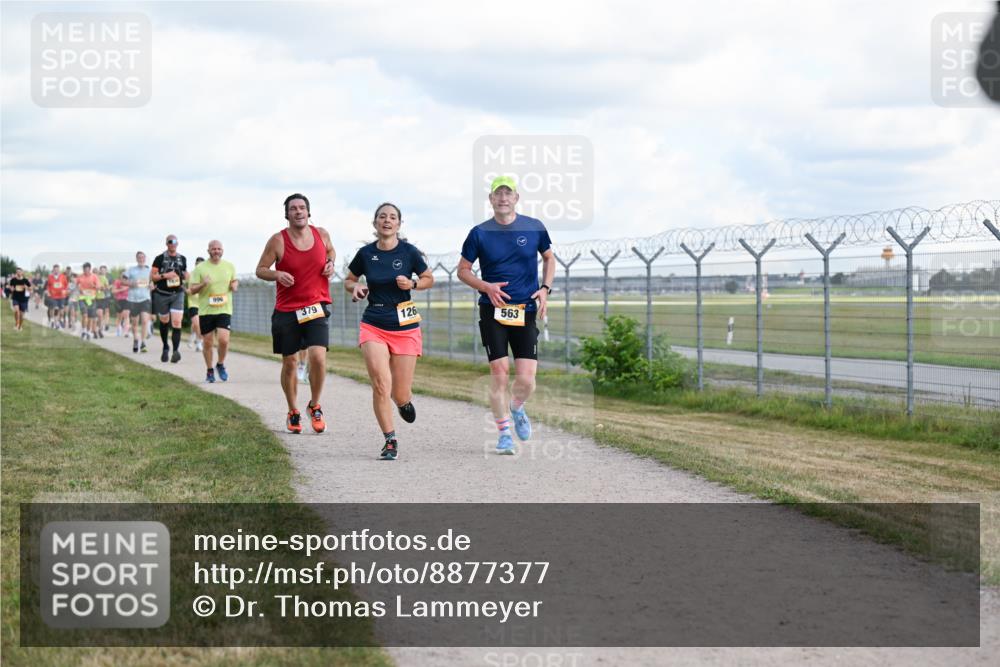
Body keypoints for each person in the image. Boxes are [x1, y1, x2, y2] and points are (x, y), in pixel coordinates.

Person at [457, 175, 555, 456]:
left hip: (525, 309)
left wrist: (545, 288)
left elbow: (549, 258)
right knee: (499, 374)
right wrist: (485, 286)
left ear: (516, 198)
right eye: (497, 194)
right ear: (491, 200)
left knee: (526, 380)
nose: (502, 198)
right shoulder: (479, 233)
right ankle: (503, 435)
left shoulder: (534, 227)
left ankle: (517, 408)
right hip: (493, 310)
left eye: (507, 193)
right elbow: (462, 270)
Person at [344, 202, 434, 460]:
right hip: (374, 322)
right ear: (375, 224)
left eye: (392, 217)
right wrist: (356, 288)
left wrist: (413, 283)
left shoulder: (409, 252)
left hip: (405, 326)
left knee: (399, 392)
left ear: (399, 224)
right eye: (382, 216)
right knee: (381, 385)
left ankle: (404, 402)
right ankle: (390, 440)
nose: (387, 220)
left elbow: (429, 279)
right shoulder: (365, 254)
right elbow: (349, 280)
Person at [255, 193, 336, 434]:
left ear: (308, 212)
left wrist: (331, 263)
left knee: (318, 357)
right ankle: (293, 410)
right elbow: (260, 269)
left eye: (302, 208)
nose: (298, 212)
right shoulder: (278, 241)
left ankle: (314, 404)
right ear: (287, 214)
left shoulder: (321, 234)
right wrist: (277, 275)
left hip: (316, 305)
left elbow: (331, 251)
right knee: (290, 362)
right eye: (293, 209)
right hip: (287, 310)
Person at [189, 241, 238, 383]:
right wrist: (203, 284)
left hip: (224, 309)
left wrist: (234, 285)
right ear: (208, 251)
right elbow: (192, 289)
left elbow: (234, 281)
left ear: (222, 251)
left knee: (224, 340)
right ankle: (210, 370)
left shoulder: (229, 266)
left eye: (219, 249)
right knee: (208, 342)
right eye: (213, 249)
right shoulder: (200, 268)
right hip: (206, 310)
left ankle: (220, 364)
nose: (216, 251)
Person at [150, 234, 189, 363]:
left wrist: (185, 275)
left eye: (175, 241)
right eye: (170, 241)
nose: (173, 243)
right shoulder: (159, 258)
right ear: (166, 244)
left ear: (177, 243)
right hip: (162, 294)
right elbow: (153, 277)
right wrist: (166, 275)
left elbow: (184, 274)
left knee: (177, 322)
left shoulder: (182, 258)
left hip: (177, 294)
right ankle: (165, 347)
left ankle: (176, 351)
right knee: (164, 321)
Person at [125, 251, 152, 353]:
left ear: (145, 259)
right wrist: (131, 283)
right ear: (137, 259)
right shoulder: (131, 270)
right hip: (132, 299)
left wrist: (152, 285)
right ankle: (136, 340)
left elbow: (153, 283)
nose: (141, 259)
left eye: (143, 257)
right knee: (135, 323)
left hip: (145, 298)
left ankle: (143, 342)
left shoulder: (149, 271)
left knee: (145, 321)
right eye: (139, 258)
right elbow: (123, 281)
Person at [75, 262, 101, 340]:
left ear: (90, 269)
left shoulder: (94, 277)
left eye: (87, 269)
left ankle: (88, 331)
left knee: (90, 318)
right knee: (84, 315)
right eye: (84, 269)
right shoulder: (80, 277)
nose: (85, 271)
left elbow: (99, 287)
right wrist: (79, 289)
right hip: (82, 298)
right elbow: (76, 286)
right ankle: (84, 331)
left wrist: (94, 286)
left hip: (91, 299)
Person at [186, 257, 205, 351]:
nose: (199, 266)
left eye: (201, 264)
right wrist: (186, 290)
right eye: (197, 264)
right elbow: (182, 284)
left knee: (196, 325)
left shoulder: (206, 275)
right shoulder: (191, 274)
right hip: (193, 303)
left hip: (203, 303)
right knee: (197, 324)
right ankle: (199, 341)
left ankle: (193, 337)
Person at [45, 263, 68, 328]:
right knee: (54, 308)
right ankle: (53, 321)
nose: (56, 271)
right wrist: (48, 291)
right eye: (55, 270)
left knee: (61, 310)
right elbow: (48, 285)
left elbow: (66, 285)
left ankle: (59, 320)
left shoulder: (63, 276)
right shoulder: (50, 277)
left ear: (59, 270)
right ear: (53, 270)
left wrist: (65, 290)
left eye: (57, 269)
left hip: (61, 296)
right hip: (53, 296)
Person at [95, 265, 111, 336]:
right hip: (93, 298)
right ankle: (94, 329)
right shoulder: (95, 277)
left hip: (101, 298)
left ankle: (100, 330)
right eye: (102, 270)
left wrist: (103, 288)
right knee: (94, 315)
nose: (103, 271)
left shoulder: (105, 279)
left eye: (104, 270)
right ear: (100, 270)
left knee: (100, 315)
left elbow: (107, 288)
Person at [112, 271, 130, 335]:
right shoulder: (117, 282)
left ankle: (126, 331)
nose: (123, 276)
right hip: (119, 300)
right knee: (119, 317)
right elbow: (113, 291)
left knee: (126, 315)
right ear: (120, 275)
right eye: (122, 274)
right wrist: (121, 289)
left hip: (127, 300)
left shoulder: (129, 282)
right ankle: (118, 329)